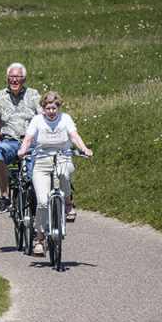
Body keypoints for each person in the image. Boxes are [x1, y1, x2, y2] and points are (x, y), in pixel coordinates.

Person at [17, 92, 93, 255]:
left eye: (54, 108)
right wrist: (23, 149)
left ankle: (67, 203)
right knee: (43, 202)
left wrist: (84, 148)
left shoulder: (65, 119)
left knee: (65, 172)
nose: (51, 111)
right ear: (43, 109)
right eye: (48, 108)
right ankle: (40, 238)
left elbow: (74, 136)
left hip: (62, 157)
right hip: (42, 162)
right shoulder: (37, 120)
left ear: (59, 107)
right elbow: (29, 138)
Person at [0, 62, 40, 213]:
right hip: (9, 140)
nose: (14, 80)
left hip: (29, 141)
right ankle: (5, 197)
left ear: (24, 79)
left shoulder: (33, 95)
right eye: (11, 77)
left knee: (32, 176)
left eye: (17, 77)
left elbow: (42, 116)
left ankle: (35, 202)